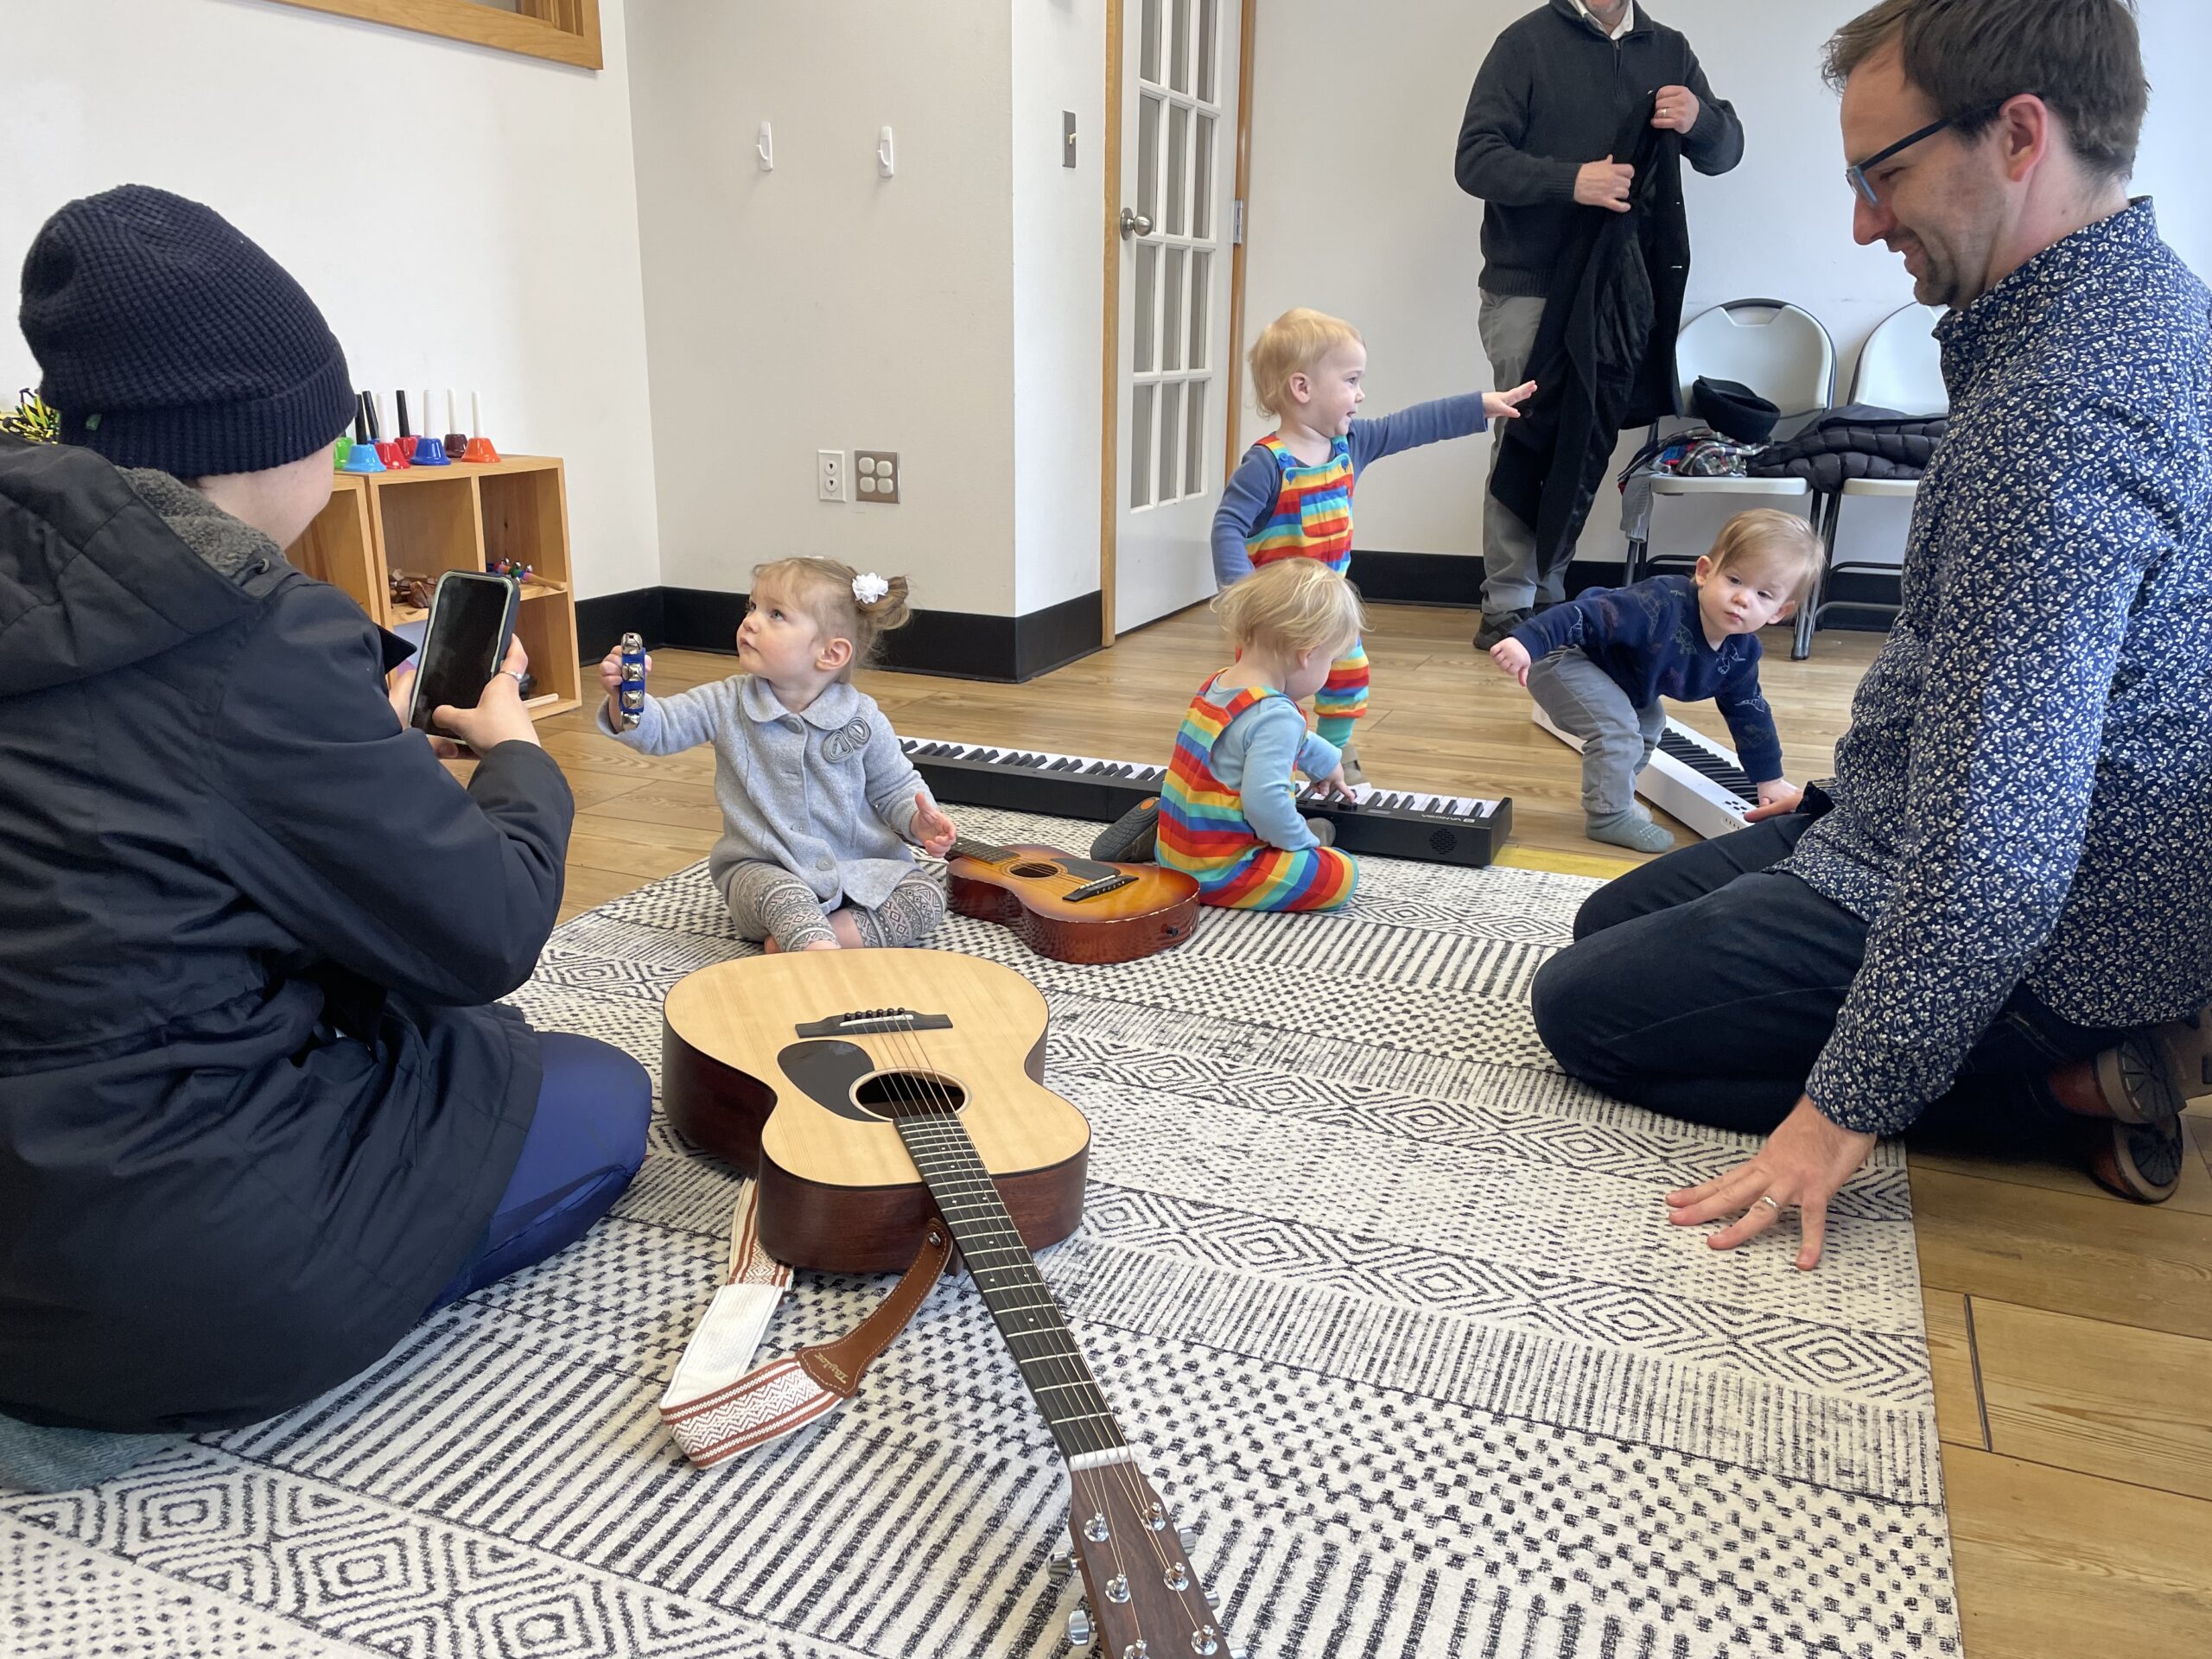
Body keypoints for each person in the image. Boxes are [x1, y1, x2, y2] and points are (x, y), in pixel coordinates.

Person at [1529, 0, 2212, 1268]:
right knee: (1603, 933)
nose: (1861, 220)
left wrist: (1839, 1111)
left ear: (2019, 134)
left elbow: (2003, 848)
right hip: (1939, 832)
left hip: (2043, 917)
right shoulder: (2151, 308)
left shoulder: (2057, 416)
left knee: (1582, 1014)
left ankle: (2077, 1081)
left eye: (1882, 173)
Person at [0, 187, 650, 1492]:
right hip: (160, 1271)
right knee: (587, 1093)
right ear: (265, 443)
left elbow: (139, 831)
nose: (343, 462)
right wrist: (514, 746)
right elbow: (485, 931)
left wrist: (356, 750)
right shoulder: (253, 636)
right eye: (333, 433)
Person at [1456, 0, 1745, 649]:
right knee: (1525, 439)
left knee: (1584, 439)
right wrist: (1572, 181)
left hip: (1621, 290)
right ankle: (1506, 602)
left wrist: (1701, 121)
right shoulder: (1524, 44)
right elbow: (1475, 160)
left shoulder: (1668, 47)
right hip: (1528, 288)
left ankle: (1550, 594)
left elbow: (1726, 152)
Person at [1211, 308, 1534, 784]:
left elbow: (1412, 425)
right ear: (1303, 389)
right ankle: (1269, 758)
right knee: (1268, 692)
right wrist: (1243, 601)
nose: (1360, 394)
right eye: (1351, 380)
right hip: (1276, 614)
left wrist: (1480, 404)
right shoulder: (1268, 464)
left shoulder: (1351, 444)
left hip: (1330, 607)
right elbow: (1227, 527)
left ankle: (1335, 755)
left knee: (1348, 678)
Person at [597, 557, 957, 952]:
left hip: (858, 865)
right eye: (751, 608)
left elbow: (896, 788)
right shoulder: (725, 701)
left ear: (831, 654)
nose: (751, 622)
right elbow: (660, 730)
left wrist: (919, 823)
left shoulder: (863, 716)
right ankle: (814, 947)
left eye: (776, 615)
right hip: (763, 870)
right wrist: (625, 701)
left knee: (927, 895)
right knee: (784, 897)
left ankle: (814, 941)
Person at [1491, 511, 1819, 853]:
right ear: (1705, 572)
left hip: (1622, 679)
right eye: (1735, 580)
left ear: (1780, 612)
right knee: (1616, 730)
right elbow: (1581, 614)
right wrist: (1527, 641)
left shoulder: (1741, 654)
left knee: (1650, 725)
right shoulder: (1658, 603)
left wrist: (1770, 779)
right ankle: (1608, 817)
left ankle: (1614, 795)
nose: (1743, 599)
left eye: (1764, 595)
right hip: (1565, 656)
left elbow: (1749, 712)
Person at [1157, 558, 1365, 912]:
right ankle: (1296, 843)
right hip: (1220, 870)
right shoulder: (1276, 715)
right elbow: (1265, 804)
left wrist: (1327, 761)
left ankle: (1162, 837)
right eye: (1330, 660)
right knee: (1341, 875)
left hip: (1173, 853)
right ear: (1307, 655)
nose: (1328, 671)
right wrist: (1302, 844)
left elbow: (1256, 742)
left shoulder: (1219, 684)